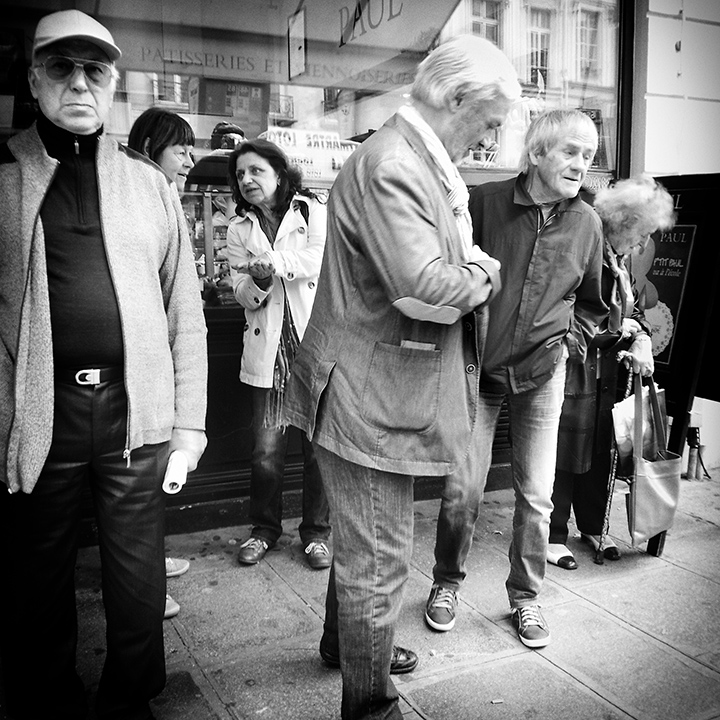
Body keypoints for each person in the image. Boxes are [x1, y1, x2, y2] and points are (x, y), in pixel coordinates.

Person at [284, 35, 521, 719]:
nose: (491, 134)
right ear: (453, 98)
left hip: (375, 386)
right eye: (489, 118)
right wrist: (485, 272)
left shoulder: (413, 156)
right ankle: (370, 704)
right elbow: (424, 289)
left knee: (365, 546)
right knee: (379, 562)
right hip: (371, 395)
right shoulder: (395, 162)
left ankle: (349, 644)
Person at [0, 10, 208, 720]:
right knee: (38, 573)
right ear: (34, 79)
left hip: (132, 410)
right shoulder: (3, 176)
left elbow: (186, 309)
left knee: (137, 572)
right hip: (37, 414)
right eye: (61, 67)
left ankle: (131, 697)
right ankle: (47, 697)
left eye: (96, 70)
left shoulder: (148, 185)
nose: (80, 83)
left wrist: (191, 425)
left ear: (113, 82)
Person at [425, 109, 607, 649]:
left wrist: (564, 342)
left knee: (537, 494)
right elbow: (449, 274)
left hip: (542, 372)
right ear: (536, 154)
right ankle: (445, 583)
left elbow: (595, 306)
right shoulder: (484, 203)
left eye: (589, 156)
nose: (582, 164)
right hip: (478, 367)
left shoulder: (587, 224)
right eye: (570, 152)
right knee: (463, 489)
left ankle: (526, 598)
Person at [548, 174, 676, 569]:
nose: (641, 245)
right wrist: (624, 331)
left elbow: (632, 309)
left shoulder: (620, 259)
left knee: (603, 452)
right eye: (640, 235)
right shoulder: (585, 246)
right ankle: (553, 535)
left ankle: (591, 526)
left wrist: (636, 335)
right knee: (566, 453)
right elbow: (568, 311)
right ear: (621, 225)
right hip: (576, 368)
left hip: (606, 374)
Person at [225, 139, 332, 570]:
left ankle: (317, 535)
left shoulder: (311, 211)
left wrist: (272, 262)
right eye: (240, 175)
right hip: (268, 353)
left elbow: (321, 258)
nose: (247, 180)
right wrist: (261, 283)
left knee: (317, 450)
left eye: (256, 171)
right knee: (266, 451)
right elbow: (241, 292)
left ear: (279, 173)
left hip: (311, 350)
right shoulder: (237, 229)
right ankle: (264, 530)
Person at [127, 106, 197, 618]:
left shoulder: (162, 192)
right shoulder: (141, 193)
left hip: (162, 361)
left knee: (155, 471)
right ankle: (143, 578)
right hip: (138, 365)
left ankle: (149, 562)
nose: (190, 160)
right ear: (151, 146)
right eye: (181, 149)